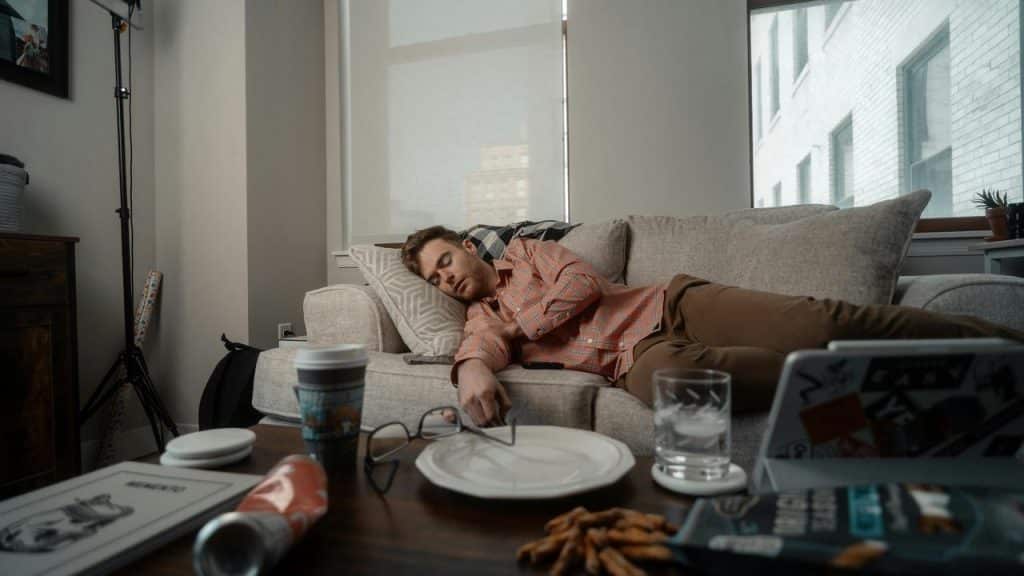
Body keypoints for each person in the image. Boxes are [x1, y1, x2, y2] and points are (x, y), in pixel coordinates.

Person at [401, 226, 1024, 426]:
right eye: (434, 279)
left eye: (445, 261)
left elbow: (584, 285)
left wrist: (521, 329)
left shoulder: (530, 252)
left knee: (823, 323)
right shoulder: (481, 320)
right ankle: (905, 387)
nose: (445, 278)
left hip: (672, 305)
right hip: (633, 360)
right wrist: (476, 366)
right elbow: (477, 348)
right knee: (679, 388)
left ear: (466, 247)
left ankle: (1006, 350)